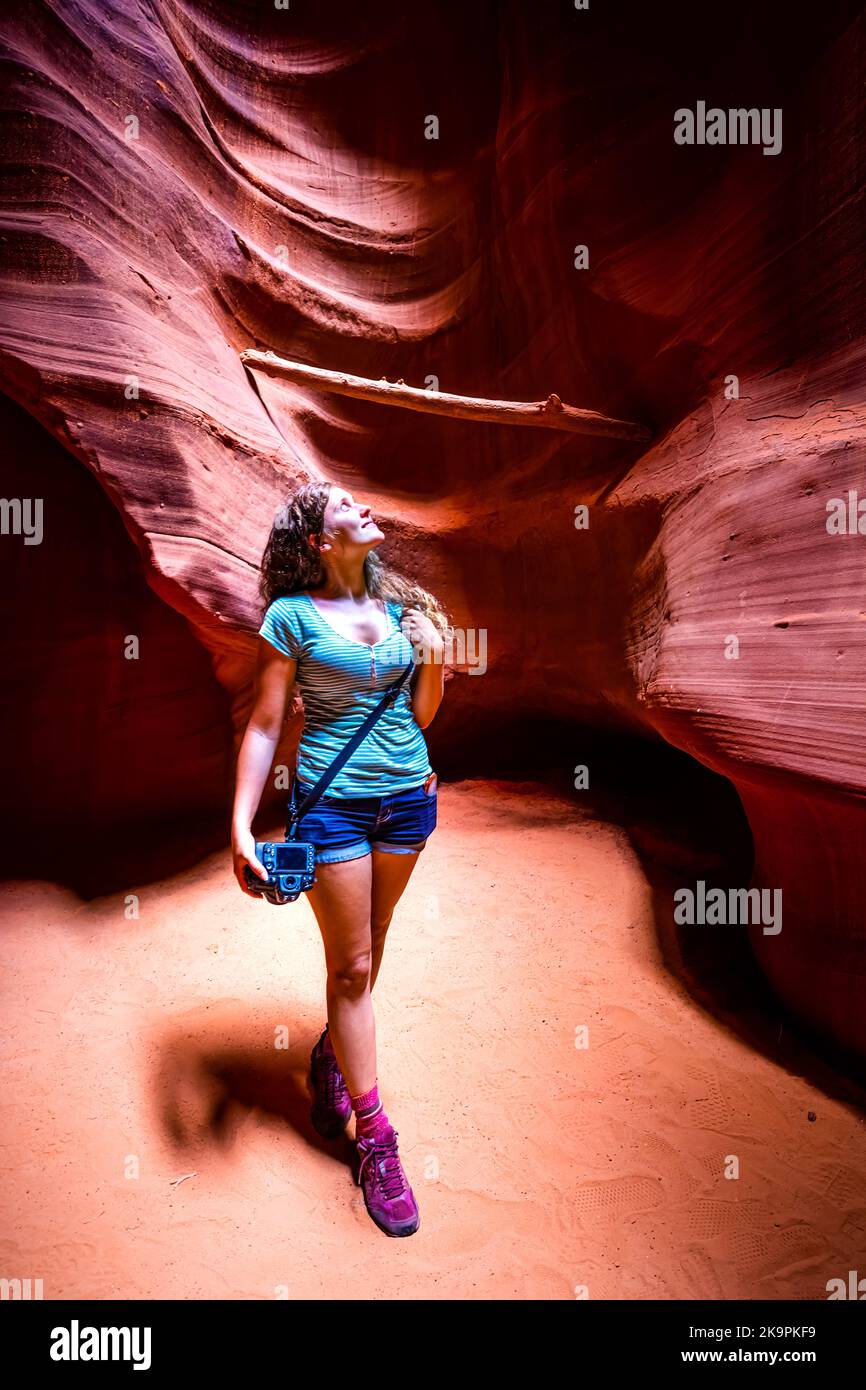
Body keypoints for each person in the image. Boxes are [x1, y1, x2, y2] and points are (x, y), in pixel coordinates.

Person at [231, 480, 449, 1237]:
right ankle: (377, 1139)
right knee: (352, 968)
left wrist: (436, 662)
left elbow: (421, 715)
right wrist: (238, 825)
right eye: (344, 507)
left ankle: (330, 1056)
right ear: (321, 544)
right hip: (332, 804)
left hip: (408, 801)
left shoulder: (403, 612)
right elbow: (264, 726)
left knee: (371, 948)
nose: (363, 507)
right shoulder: (291, 617)